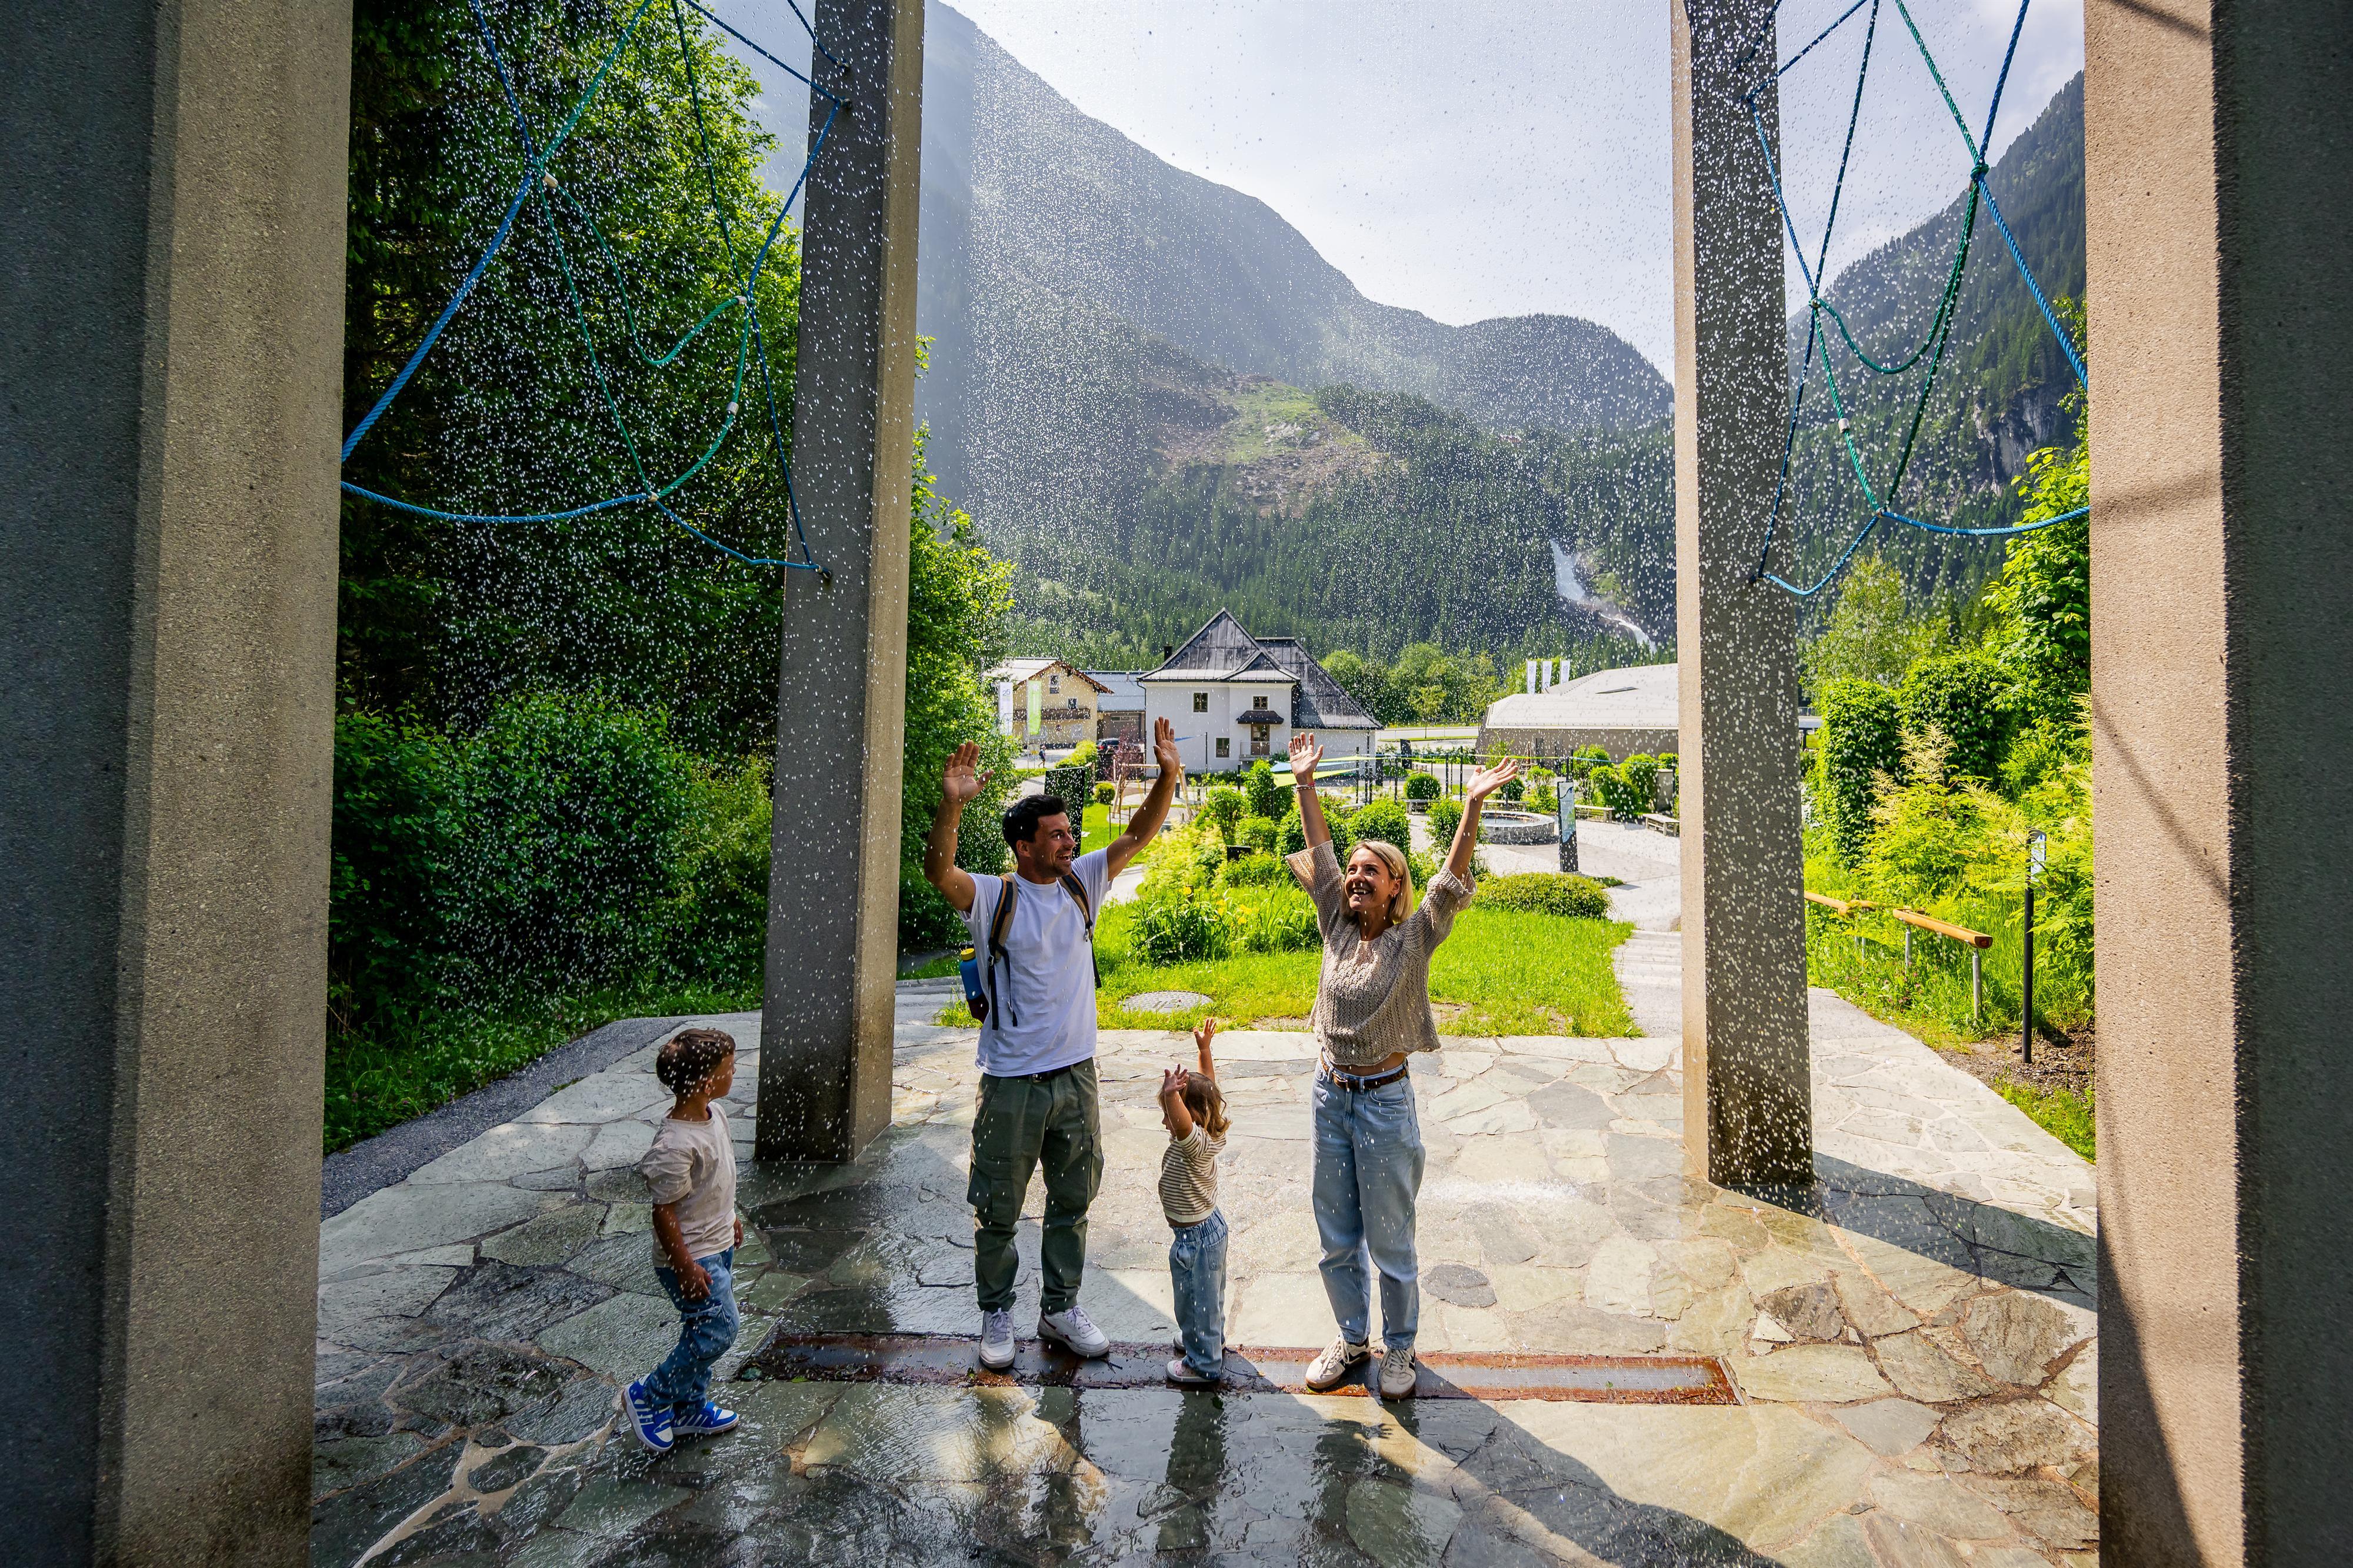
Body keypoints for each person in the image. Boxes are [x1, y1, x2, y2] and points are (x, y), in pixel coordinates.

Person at [924, 715, 1186, 1370]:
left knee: (1073, 1202)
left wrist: (1169, 775)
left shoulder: (1081, 881)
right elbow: (939, 870)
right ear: (1023, 845)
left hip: (1076, 1076)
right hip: (1011, 1081)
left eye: (1070, 832)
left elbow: (1138, 833)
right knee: (998, 1208)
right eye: (1058, 834)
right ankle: (996, 1313)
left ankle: (1060, 1307)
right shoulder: (993, 896)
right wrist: (952, 805)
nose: (1072, 841)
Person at [1283, 729, 1518, 1399]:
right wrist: (1306, 784)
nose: (1356, 877)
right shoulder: (1334, 923)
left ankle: (1401, 1349)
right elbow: (1321, 854)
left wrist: (1470, 806)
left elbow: (1447, 884)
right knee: (1335, 1234)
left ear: (1394, 888)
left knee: (1390, 1238)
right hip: (1330, 1094)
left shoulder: (1414, 938)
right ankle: (1352, 1338)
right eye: (1354, 871)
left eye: (1372, 872)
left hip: (1384, 1102)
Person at [625, 1027, 745, 1453]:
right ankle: (650, 1395)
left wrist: (731, 1217)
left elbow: (716, 1181)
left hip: (717, 1245)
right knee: (719, 1329)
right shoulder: (674, 1146)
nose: (736, 1072)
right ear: (708, 1082)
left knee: (702, 1328)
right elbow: (664, 1212)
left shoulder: (716, 1115)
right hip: (693, 1258)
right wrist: (685, 1266)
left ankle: (688, 1407)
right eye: (731, 1068)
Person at [1157, 1018, 1231, 1387]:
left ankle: (1203, 1363)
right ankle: (1209, 1339)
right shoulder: (1206, 1131)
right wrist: (1205, 1052)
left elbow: (1184, 1122)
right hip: (1208, 1229)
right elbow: (1209, 1088)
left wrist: (1172, 1095)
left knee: (1192, 1300)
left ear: (1191, 1116)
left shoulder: (1194, 1145)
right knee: (1208, 1296)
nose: (1166, 1121)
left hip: (1195, 1240)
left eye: (1169, 1114)